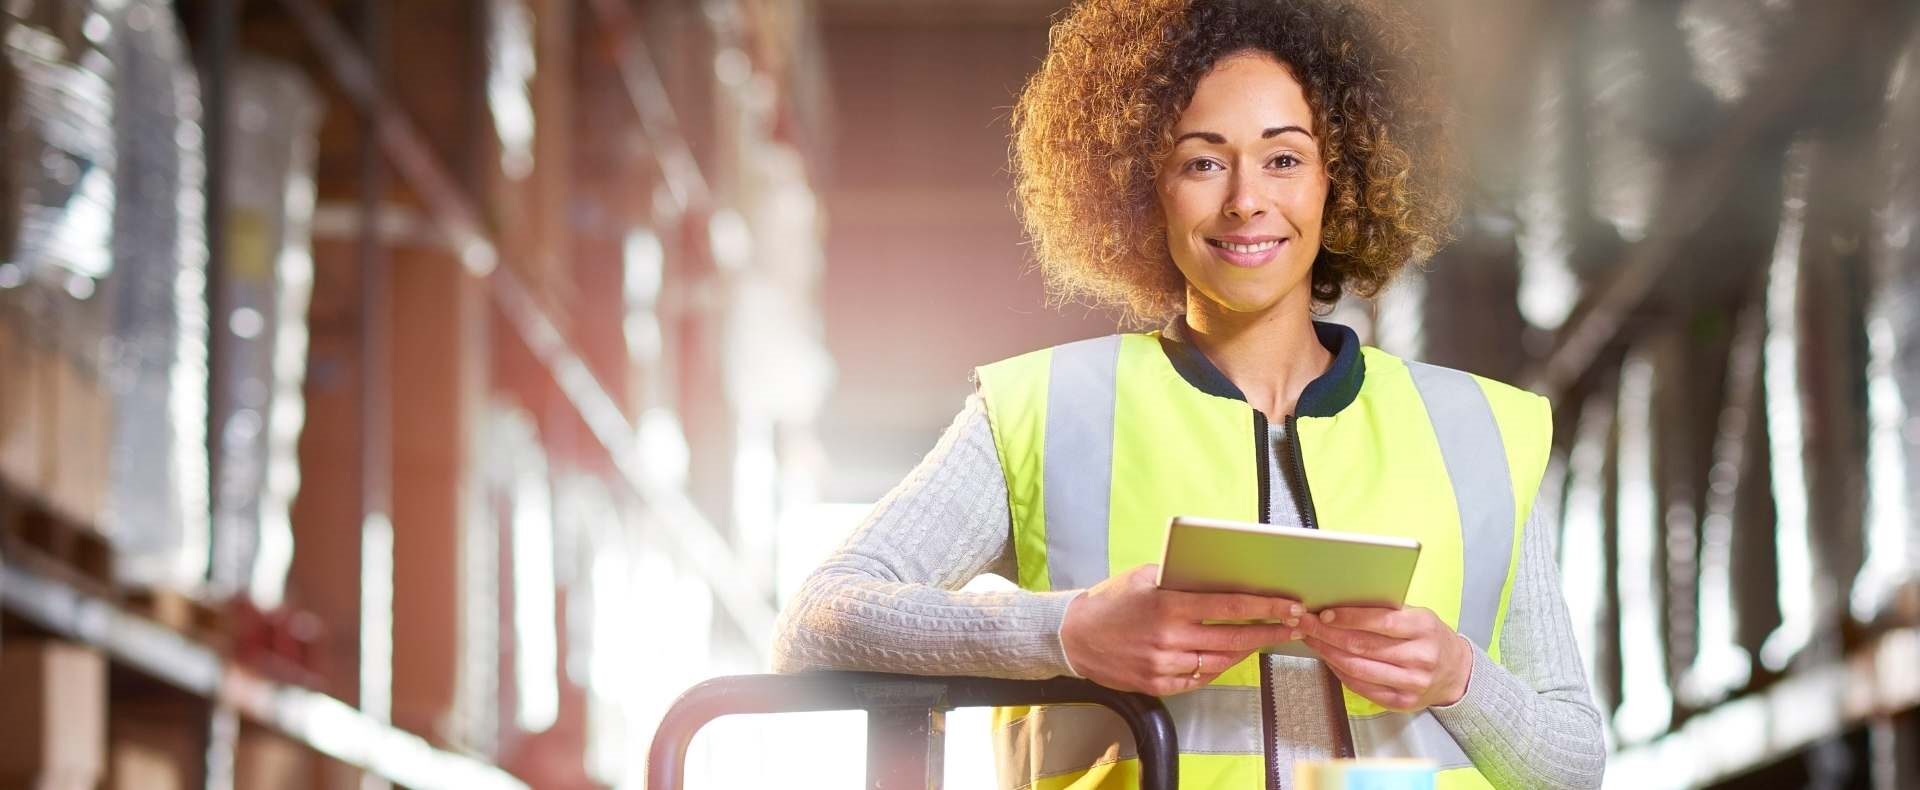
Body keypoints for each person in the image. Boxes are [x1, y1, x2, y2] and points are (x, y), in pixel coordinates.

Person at [773, 0, 1606, 787]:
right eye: (1202, 160)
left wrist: (1460, 677)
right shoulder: (1043, 411)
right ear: (1143, 188)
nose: (1247, 200)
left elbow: (1573, 766)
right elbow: (817, 619)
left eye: (1285, 158)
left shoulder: (1477, 430)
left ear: (1337, 180)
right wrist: (1066, 634)